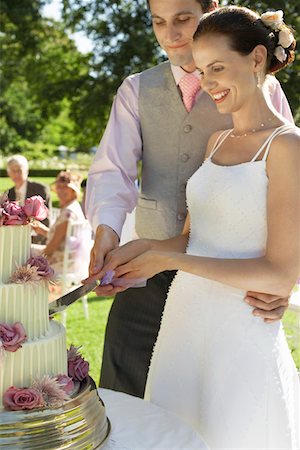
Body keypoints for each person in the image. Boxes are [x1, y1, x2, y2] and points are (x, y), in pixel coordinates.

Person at [97, 6, 300, 448]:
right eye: (203, 70)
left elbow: (281, 273)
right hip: (183, 323)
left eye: (218, 68)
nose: (208, 83)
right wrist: (143, 248)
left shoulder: (287, 146)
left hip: (238, 327)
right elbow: (193, 236)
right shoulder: (218, 140)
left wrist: (168, 259)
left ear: (257, 59)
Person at [31, 171, 85, 274]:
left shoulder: (68, 213)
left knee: (22, 251)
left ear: (74, 190)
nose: (60, 190)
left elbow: (53, 246)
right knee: (28, 249)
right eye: (58, 187)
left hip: (61, 260)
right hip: (66, 255)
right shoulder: (73, 206)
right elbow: (63, 237)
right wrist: (42, 230)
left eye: (65, 187)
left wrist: (36, 262)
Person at [6, 155, 51, 229]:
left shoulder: (40, 189)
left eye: (19, 170)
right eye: (13, 171)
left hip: (36, 235)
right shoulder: (9, 193)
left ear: (26, 171)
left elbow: (45, 219)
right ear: (9, 173)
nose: (16, 174)